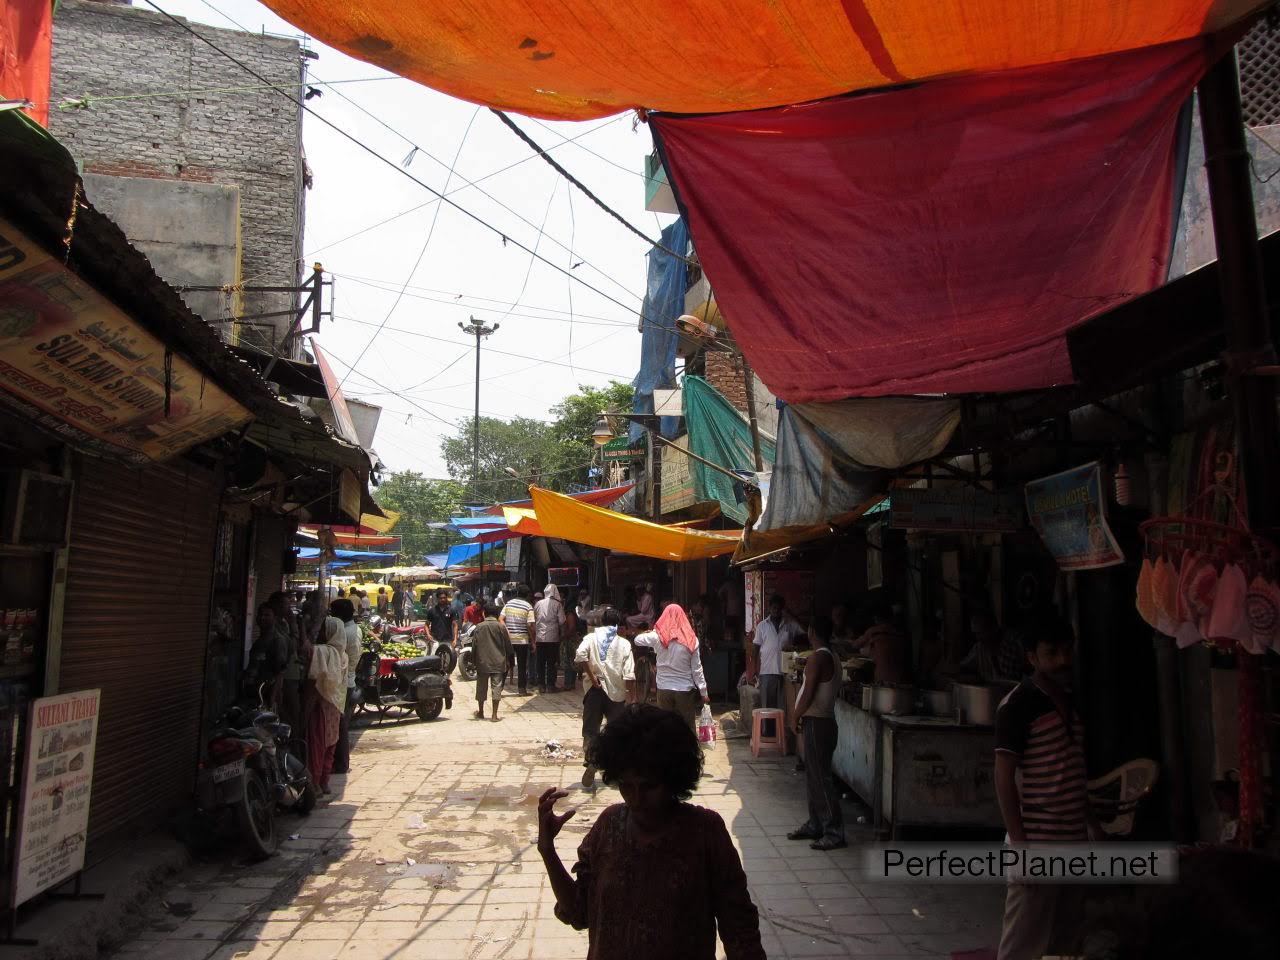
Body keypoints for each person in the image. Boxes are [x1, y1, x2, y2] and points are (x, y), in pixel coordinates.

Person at [538, 705, 765, 959]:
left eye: (648, 786)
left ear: (673, 779)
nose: (636, 798)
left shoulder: (704, 833)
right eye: (626, 786)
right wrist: (547, 851)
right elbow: (579, 912)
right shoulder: (608, 826)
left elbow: (740, 931)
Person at [994, 615, 1096, 960]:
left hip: (1073, 841)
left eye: (1067, 650)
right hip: (1037, 844)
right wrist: (1021, 847)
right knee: (1023, 945)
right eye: (1052, 652)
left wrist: (1092, 827)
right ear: (1032, 657)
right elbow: (1003, 779)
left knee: (1068, 943)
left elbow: (1073, 772)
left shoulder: (1070, 701)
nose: (1063, 660)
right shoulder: (1018, 705)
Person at [787, 616, 846, 850]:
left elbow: (809, 691)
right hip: (823, 720)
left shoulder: (818, 658)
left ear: (812, 631)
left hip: (817, 721)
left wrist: (795, 715)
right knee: (814, 775)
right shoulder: (832, 656)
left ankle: (833, 830)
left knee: (820, 777)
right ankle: (816, 823)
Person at [575, 607, 635, 791]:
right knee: (615, 732)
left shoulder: (590, 638)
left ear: (602, 622)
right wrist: (631, 697)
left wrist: (592, 678)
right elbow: (629, 674)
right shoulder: (624, 644)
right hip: (616, 693)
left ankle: (592, 760)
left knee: (591, 731)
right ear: (618, 625)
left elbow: (580, 655)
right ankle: (613, 771)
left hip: (594, 691)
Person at [632, 603, 709, 732]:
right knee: (686, 729)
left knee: (665, 728)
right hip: (685, 690)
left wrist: (649, 631)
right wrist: (704, 692)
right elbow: (697, 669)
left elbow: (637, 640)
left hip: (663, 689)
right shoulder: (692, 639)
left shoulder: (657, 636)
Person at [306, 616, 349, 796]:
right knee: (330, 744)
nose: (321, 632)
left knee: (317, 745)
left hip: (322, 703)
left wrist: (301, 628)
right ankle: (324, 781)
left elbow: (307, 651)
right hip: (336, 704)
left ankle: (315, 783)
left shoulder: (324, 652)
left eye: (324, 629)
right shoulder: (342, 654)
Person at [750, 594, 803, 709]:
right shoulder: (762, 626)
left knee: (782, 709)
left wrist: (793, 615)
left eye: (779, 608)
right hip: (767, 672)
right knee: (767, 708)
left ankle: (779, 728)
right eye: (774, 608)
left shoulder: (790, 625)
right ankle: (767, 728)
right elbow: (755, 649)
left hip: (786, 674)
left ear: (782, 609)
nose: (776, 611)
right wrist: (754, 669)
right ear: (769, 608)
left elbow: (805, 631)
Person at [329, 598, 362, 774]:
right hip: (349, 679)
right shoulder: (353, 629)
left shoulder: (343, 632)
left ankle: (341, 763)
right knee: (342, 723)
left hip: (344, 681)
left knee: (340, 724)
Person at [266, 591, 305, 730]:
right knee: (287, 710)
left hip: (289, 672)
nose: (288, 609)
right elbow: (292, 646)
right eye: (284, 605)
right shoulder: (277, 625)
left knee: (292, 710)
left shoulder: (284, 622)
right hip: (281, 673)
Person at [470, 601, 515, 721]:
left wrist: (473, 661)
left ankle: (481, 712)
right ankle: (494, 715)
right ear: (496, 614)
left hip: (482, 662)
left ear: (484, 613)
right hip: (498, 662)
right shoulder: (501, 627)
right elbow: (508, 645)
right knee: (497, 687)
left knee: (481, 687)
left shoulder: (479, 627)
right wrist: (511, 660)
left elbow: (474, 645)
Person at [851, 594, 910, 684]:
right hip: (902, 678)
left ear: (876, 618)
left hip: (883, 678)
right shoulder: (898, 633)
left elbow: (855, 645)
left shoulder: (875, 631)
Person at [958, 610, 1025, 683]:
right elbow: (963, 667)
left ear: (994, 628)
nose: (979, 638)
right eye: (976, 634)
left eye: (982, 632)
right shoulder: (979, 647)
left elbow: (1011, 681)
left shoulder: (1012, 643)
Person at [500, 584, 535, 695]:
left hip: (509, 640)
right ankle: (522, 690)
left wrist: (507, 631)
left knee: (507, 664)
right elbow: (530, 625)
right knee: (522, 665)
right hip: (522, 641)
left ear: (517, 593)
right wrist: (533, 640)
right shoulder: (528, 606)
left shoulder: (509, 603)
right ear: (527, 595)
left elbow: (501, 619)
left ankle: (499, 689)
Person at [534, 583, 567, 694]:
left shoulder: (538, 603)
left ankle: (541, 686)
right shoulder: (557, 604)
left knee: (540, 662)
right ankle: (550, 686)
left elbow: (534, 619)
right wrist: (562, 634)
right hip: (553, 638)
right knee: (551, 663)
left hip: (540, 638)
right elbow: (562, 621)